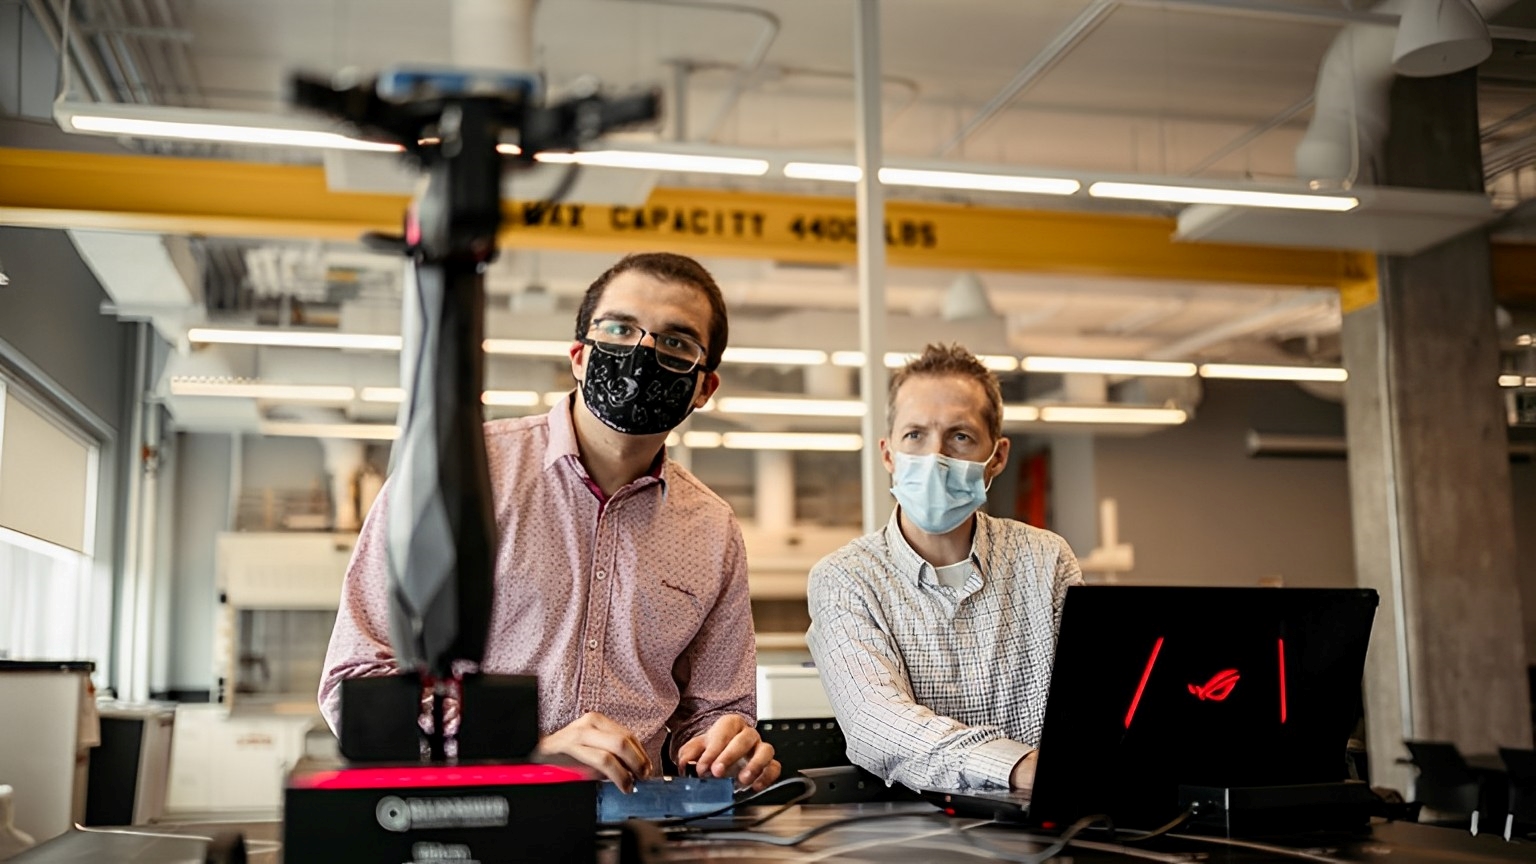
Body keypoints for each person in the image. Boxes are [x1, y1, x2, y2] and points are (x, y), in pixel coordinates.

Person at [320, 252, 780, 792]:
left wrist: (727, 748)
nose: (642, 353)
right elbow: (355, 682)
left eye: (676, 343)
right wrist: (522, 751)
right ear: (580, 356)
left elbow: (712, 713)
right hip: (474, 818)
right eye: (620, 329)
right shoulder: (457, 478)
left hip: (632, 828)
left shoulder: (711, 529)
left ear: (704, 388)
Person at [806, 343, 1082, 794]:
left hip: (1050, 824)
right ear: (889, 454)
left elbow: (1086, 708)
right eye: (915, 435)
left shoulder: (1046, 560)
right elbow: (876, 722)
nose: (935, 457)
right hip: (918, 833)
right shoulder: (845, 578)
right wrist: (1017, 766)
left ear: (997, 456)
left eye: (960, 436)